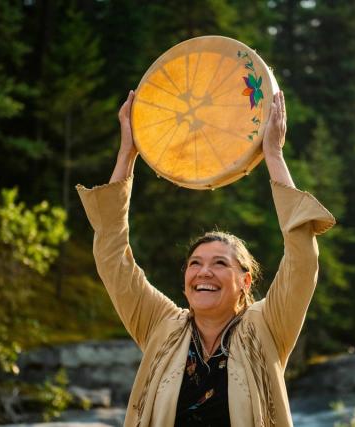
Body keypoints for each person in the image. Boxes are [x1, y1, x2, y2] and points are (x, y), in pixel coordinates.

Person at [76, 90, 335, 427]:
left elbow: (302, 260)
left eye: (220, 263)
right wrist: (127, 153)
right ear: (185, 279)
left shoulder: (267, 326)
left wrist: (272, 154)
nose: (204, 272)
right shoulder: (160, 325)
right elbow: (112, 257)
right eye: (195, 263)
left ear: (245, 281)